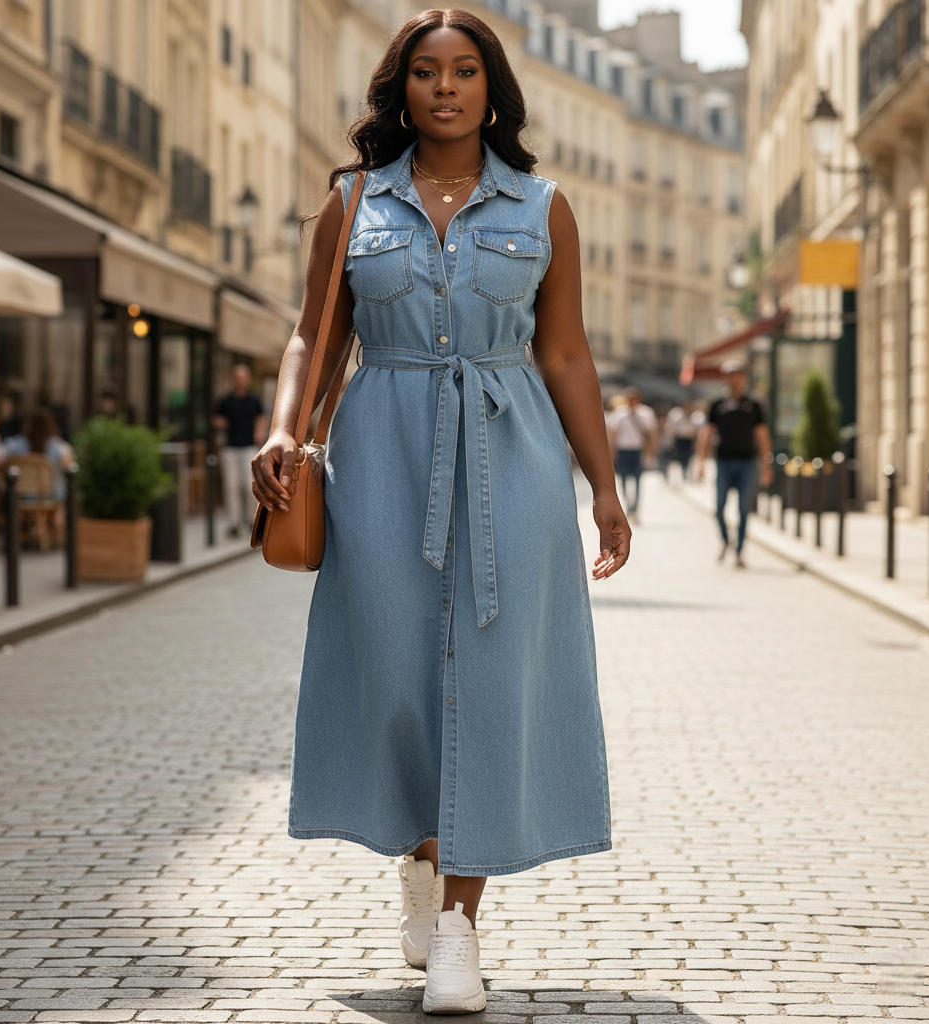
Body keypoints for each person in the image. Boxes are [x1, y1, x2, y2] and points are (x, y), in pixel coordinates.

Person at [251, 10, 631, 1015]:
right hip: (381, 454)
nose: (447, 88)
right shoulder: (352, 202)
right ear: (402, 88)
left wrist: (603, 487)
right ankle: (423, 857)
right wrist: (283, 427)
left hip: (514, 457)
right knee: (401, 675)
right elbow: (313, 336)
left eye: (465, 71)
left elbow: (564, 353)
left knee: (494, 680)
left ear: (491, 89)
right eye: (427, 72)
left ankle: (460, 923)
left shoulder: (543, 207)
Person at [696, 359, 773, 568]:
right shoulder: (717, 405)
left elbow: (762, 435)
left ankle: (739, 550)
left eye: (739, 375)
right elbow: (707, 433)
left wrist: (767, 464)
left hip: (748, 462)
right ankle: (725, 540)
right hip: (723, 462)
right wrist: (701, 462)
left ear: (744, 378)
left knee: (743, 508)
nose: (735, 380)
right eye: (731, 375)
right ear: (726, 379)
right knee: (719, 508)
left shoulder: (754, 405)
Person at [212, 364, 265, 537]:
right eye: (237, 378)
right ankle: (234, 523)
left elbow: (261, 418)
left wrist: (260, 432)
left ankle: (251, 519)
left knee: (249, 486)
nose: (240, 381)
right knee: (231, 487)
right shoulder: (226, 401)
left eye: (243, 378)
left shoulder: (254, 400)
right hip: (230, 448)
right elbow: (216, 419)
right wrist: (220, 424)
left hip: (249, 447)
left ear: (248, 379)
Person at [605, 387, 658, 517]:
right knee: (623, 478)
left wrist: (651, 451)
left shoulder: (645, 413)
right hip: (623, 450)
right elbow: (613, 434)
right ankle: (627, 504)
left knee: (638, 479)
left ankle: (635, 507)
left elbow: (651, 434)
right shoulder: (619, 414)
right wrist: (611, 452)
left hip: (638, 450)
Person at [3, 408, 73, 499]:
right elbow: (68, 466)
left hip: (20, 497)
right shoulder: (60, 448)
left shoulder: (14, 445)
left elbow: (1, 461)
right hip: (50, 497)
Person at [665, 401, 700, 481]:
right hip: (679, 439)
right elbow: (670, 427)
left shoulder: (694, 416)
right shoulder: (676, 415)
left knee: (688, 455)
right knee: (679, 455)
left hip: (689, 439)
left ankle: (686, 469)